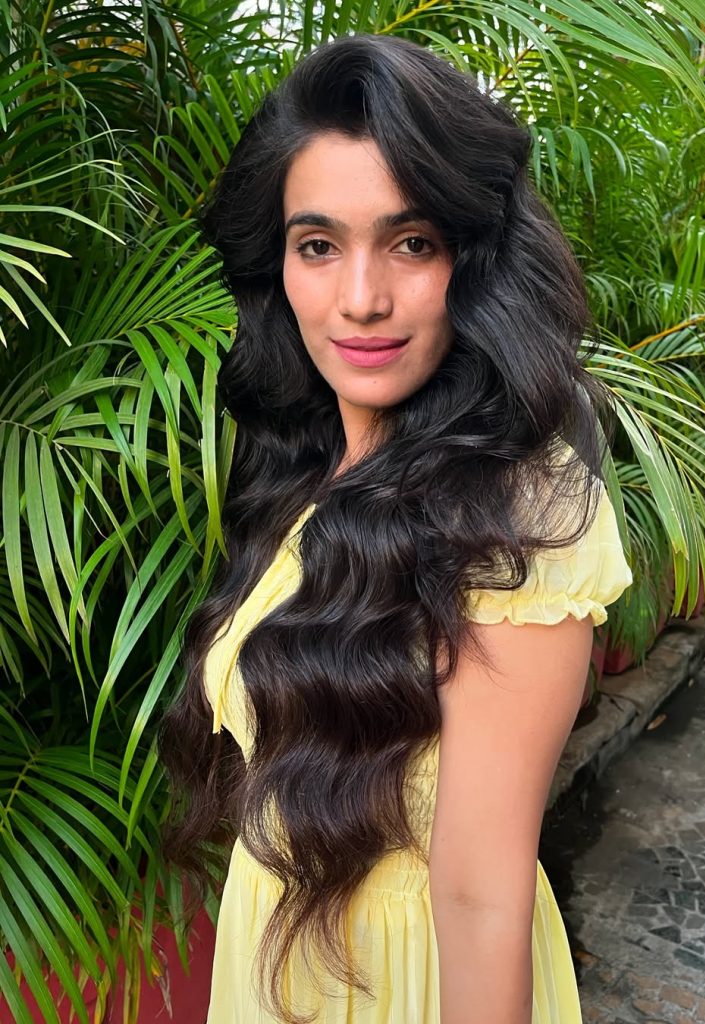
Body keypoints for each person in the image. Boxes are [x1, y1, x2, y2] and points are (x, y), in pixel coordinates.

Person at [158, 32, 633, 1024]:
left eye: (411, 242)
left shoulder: (522, 507)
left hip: (411, 988)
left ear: (474, 258)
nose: (362, 299)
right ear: (278, 265)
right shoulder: (304, 465)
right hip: (277, 964)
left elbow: (480, 892)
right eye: (318, 245)